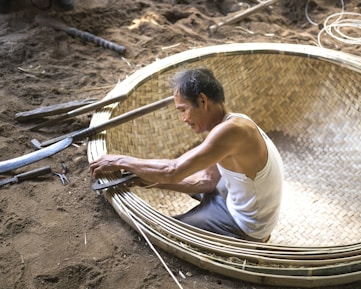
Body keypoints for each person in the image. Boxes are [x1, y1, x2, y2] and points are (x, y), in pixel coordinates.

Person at [90, 68, 284, 243]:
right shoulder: (233, 122)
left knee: (162, 232)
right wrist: (147, 180)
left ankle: (243, 240)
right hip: (232, 200)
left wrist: (119, 160)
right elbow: (207, 181)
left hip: (247, 225)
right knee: (167, 215)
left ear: (202, 101)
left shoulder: (231, 131)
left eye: (183, 110)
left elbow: (173, 170)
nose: (183, 119)